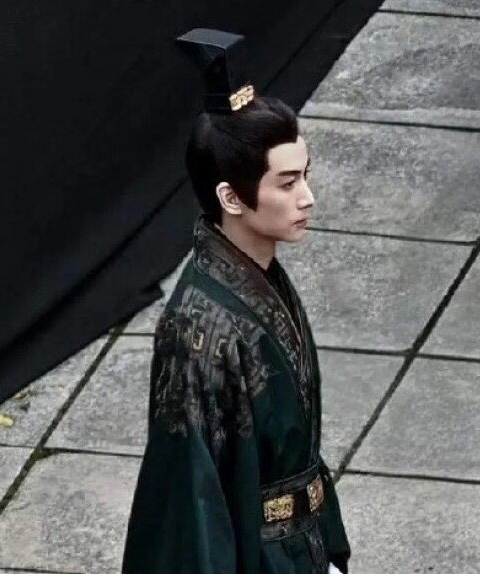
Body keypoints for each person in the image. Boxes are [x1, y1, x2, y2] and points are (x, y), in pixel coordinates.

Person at [122, 28, 351, 574]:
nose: (307, 197)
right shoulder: (198, 329)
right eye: (287, 183)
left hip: (301, 550)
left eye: (305, 177)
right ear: (231, 196)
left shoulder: (261, 278)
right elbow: (190, 498)